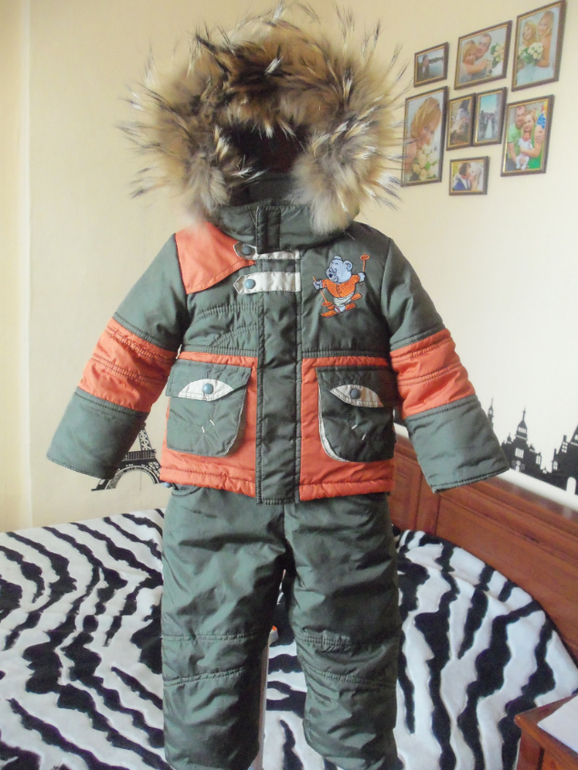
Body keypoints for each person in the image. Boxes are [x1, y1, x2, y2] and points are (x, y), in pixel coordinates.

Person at [48, 9, 509, 770]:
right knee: (207, 651)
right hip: (214, 499)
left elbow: (425, 358)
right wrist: (91, 441)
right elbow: (130, 349)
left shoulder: (368, 260)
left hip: (342, 500)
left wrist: (457, 461)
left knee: (353, 651)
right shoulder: (193, 253)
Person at [403, 96, 442, 180]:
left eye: (432, 132)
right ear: (419, 122)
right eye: (426, 128)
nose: (427, 136)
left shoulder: (422, 149)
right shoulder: (412, 146)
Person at [506, 104, 527, 171]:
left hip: (525, 159)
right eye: (518, 115)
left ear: (525, 115)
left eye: (522, 115)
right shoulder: (510, 130)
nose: (520, 118)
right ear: (515, 117)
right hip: (512, 160)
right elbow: (512, 153)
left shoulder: (528, 127)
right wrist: (520, 166)